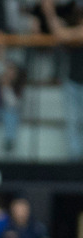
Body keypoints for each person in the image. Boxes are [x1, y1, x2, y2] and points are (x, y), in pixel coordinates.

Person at [41, 0, 83, 160]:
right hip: (73, 81)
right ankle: (75, 165)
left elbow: (62, 35)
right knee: (72, 124)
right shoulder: (74, 22)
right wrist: (49, 11)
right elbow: (60, 34)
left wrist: (50, 12)